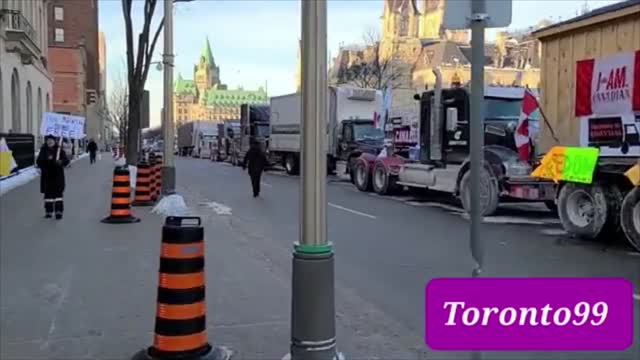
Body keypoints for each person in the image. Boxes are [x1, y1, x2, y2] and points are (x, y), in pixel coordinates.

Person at [37, 135, 70, 219]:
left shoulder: (59, 150)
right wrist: (44, 163)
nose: (49, 142)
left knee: (58, 195)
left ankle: (58, 212)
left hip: (57, 176)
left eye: (51, 140)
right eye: (48, 140)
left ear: (54, 141)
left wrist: (60, 162)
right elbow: (39, 161)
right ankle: (49, 212)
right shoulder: (43, 150)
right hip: (47, 176)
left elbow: (66, 161)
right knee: (48, 195)